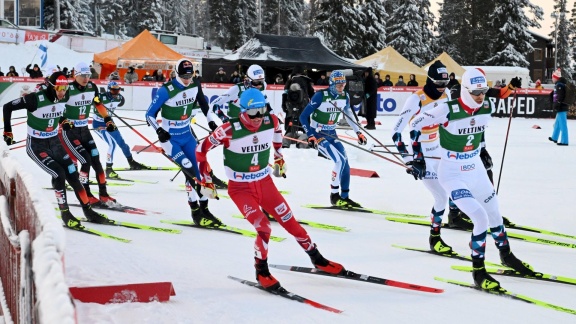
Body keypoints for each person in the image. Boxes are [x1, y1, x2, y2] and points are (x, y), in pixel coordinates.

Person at [196, 88, 345, 290]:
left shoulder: (271, 120)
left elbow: (277, 134)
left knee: (290, 222)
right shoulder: (229, 129)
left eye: (261, 111)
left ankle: (317, 258)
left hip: (265, 183)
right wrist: (205, 179)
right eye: (252, 113)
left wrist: (278, 156)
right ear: (242, 111)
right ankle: (261, 271)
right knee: (263, 227)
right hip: (240, 189)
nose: (258, 117)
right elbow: (200, 150)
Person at [409, 68, 535, 291]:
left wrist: (482, 148)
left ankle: (506, 255)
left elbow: (485, 116)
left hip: (474, 167)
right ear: (465, 90)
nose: (480, 96)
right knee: (479, 217)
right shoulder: (446, 108)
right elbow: (415, 125)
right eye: (475, 92)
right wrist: (417, 157)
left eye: (483, 91)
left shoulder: (487, 105)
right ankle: (479, 272)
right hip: (452, 173)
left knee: (494, 212)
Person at [2, 72, 111, 228]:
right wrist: (8, 131)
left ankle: (88, 211)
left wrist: (64, 120)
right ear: (52, 87)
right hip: (37, 145)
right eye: (59, 88)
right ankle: (65, 214)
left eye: (65, 88)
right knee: (58, 173)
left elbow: (57, 111)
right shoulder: (34, 99)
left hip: (54, 142)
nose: (62, 92)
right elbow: (7, 107)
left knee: (72, 172)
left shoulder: (65, 97)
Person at [145, 58, 222, 227]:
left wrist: (211, 121)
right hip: (171, 139)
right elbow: (149, 114)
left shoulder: (195, 84)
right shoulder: (167, 90)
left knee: (200, 172)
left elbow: (204, 104)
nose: (187, 80)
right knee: (188, 168)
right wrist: (159, 130)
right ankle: (195, 212)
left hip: (187, 136)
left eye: (190, 76)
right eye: (184, 77)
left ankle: (204, 210)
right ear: (177, 74)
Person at [391, 60, 453, 254]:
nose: (442, 89)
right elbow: (396, 133)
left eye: (445, 84)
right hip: (422, 155)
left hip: (439, 150)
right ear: (429, 81)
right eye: (439, 84)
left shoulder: (447, 94)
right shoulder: (416, 99)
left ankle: (457, 216)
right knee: (441, 196)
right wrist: (409, 161)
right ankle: (435, 239)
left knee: (455, 186)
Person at [299, 70, 368, 207]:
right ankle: (334, 196)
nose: (341, 87)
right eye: (338, 85)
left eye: (343, 84)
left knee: (345, 164)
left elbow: (349, 116)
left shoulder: (345, 97)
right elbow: (303, 116)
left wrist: (358, 133)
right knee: (339, 161)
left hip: (332, 133)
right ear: (331, 85)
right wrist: (310, 135)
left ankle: (345, 197)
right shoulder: (320, 96)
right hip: (318, 134)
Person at [60, 62, 118, 206]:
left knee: (96, 160)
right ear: (75, 75)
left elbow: (98, 104)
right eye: (83, 75)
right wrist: (63, 121)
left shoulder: (92, 87)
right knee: (85, 160)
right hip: (70, 132)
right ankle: (86, 193)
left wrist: (108, 120)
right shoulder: (68, 89)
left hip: (84, 129)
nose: (86, 78)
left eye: (88, 75)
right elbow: (57, 108)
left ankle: (103, 194)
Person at [92, 81, 150, 178]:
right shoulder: (101, 97)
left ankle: (131, 162)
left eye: (118, 90)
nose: (116, 93)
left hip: (110, 122)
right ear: (109, 90)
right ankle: (109, 169)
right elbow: (95, 105)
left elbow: (111, 108)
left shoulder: (119, 98)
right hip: (99, 123)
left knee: (122, 144)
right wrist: (96, 101)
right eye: (114, 91)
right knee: (112, 144)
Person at [283, 65, 315, 134]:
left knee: (290, 123)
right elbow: (311, 93)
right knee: (304, 122)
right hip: (304, 104)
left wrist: (284, 104)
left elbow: (285, 92)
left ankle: (288, 138)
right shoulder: (306, 80)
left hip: (291, 104)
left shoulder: (290, 80)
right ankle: (306, 138)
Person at [549, 68, 569, 146]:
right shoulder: (559, 85)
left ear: (555, 78)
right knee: (557, 123)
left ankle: (565, 141)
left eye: (553, 77)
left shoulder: (559, 85)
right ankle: (554, 137)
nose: (552, 79)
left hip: (561, 107)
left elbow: (560, 96)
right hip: (561, 106)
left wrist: (557, 104)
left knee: (562, 124)